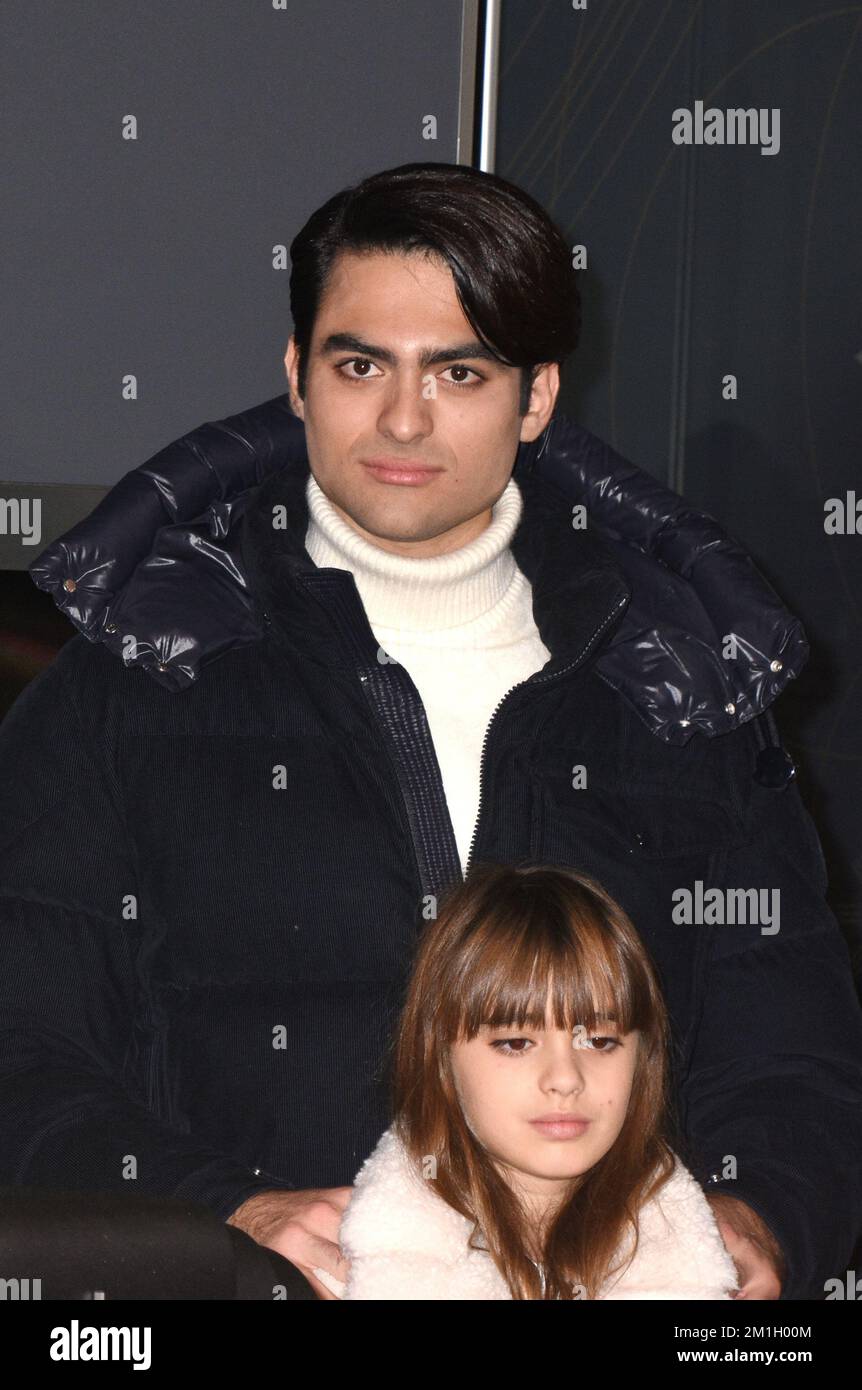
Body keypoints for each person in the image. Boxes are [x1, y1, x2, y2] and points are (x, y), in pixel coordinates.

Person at [3, 161, 862, 1301]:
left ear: (538, 397)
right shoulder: (129, 684)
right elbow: (22, 1051)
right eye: (361, 364)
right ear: (297, 377)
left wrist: (763, 1220)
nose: (403, 417)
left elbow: (795, 1055)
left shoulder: (681, 686)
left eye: (459, 371)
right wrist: (220, 1210)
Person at [320, 861, 740, 1300]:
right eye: (516, 1043)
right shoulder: (344, 1276)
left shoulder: (710, 1273)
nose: (565, 1079)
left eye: (598, 1041)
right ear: (440, 1055)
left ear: (642, 1057)